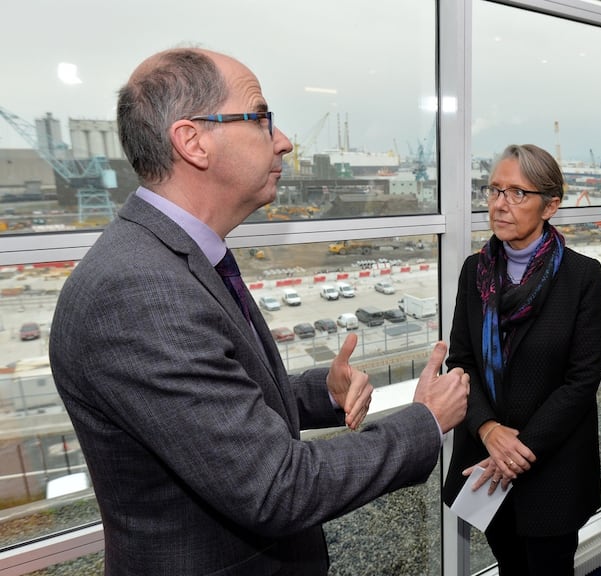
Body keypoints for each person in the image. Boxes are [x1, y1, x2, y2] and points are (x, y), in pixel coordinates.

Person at [48, 47, 469, 576]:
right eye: (261, 118)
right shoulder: (139, 291)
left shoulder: (176, 259)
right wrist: (425, 421)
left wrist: (321, 393)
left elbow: (215, 406)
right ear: (192, 141)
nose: (285, 141)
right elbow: (277, 486)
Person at [441, 144, 601, 575]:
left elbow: (581, 380)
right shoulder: (474, 272)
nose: (500, 204)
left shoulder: (582, 277)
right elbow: (461, 361)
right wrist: (489, 429)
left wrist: (516, 449)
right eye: (494, 190)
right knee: (510, 566)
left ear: (550, 205)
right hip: (485, 459)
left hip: (550, 467)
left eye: (517, 193)